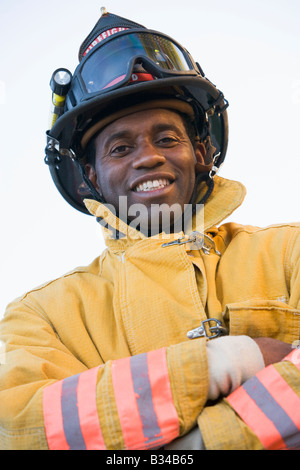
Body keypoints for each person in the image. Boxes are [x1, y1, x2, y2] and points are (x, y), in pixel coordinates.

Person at [0, 8, 299, 451]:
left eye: (166, 139)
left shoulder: (287, 251)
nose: (148, 158)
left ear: (200, 152)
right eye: (121, 147)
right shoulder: (44, 317)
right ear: (92, 176)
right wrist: (231, 361)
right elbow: (18, 428)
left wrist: (196, 446)